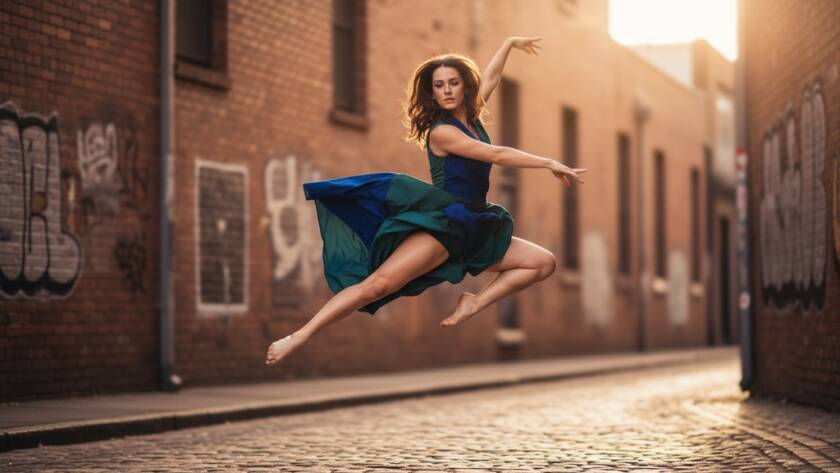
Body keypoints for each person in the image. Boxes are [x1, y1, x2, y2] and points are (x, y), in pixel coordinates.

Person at [266, 36, 586, 366]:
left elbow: (490, 78)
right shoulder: (442, 132)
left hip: (476, 223)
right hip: (445, 225)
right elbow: (497, 154)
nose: (447, 90)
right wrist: (548, 162)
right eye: (439, 85)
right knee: (377, 286)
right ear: (432, 92)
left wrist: (508, 44)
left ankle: (474, 303)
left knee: (542, 262)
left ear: (465, 87)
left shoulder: (472, 118)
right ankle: (299, 336)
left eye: (453, 83)